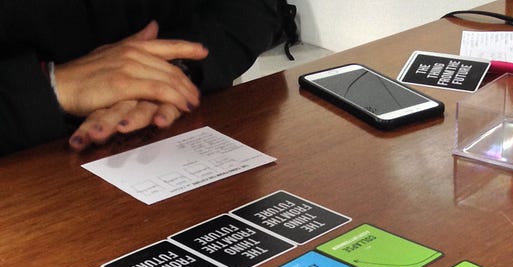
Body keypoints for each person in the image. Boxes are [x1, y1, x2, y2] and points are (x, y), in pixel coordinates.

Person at [0, 0, 294, 156]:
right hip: (27, 165)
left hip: (176, 136)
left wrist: (168, 71)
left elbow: (251, 10)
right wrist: (50, 88)